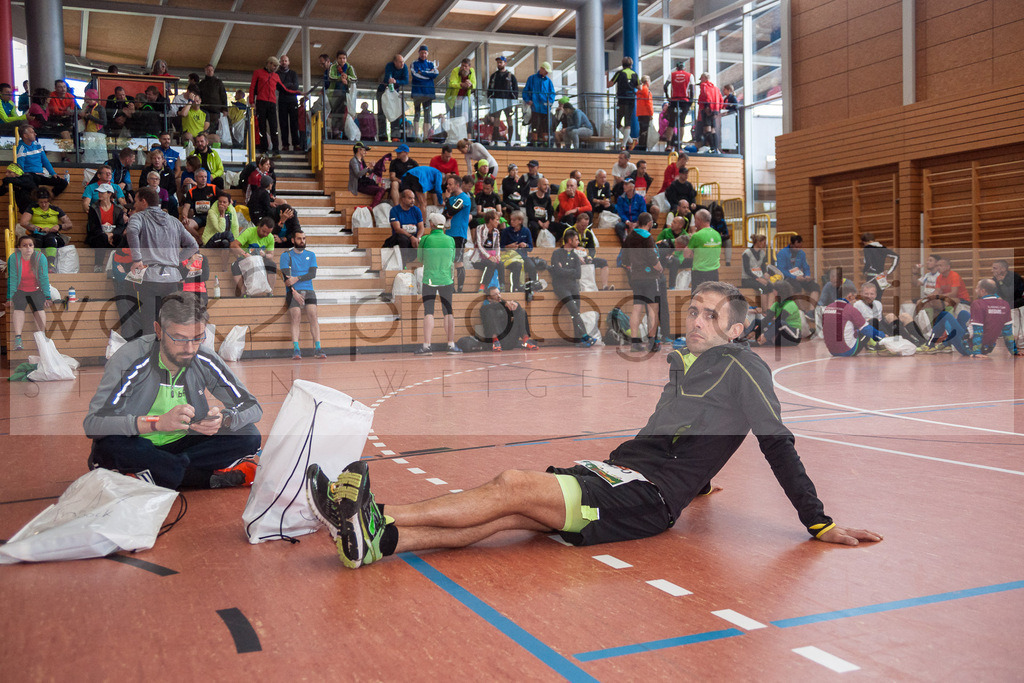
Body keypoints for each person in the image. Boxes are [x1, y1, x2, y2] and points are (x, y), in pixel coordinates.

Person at [307, 280, 882, 568]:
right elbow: (688, 433)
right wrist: (703, 479)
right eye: (695, 310)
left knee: (511, 485)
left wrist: (819, 523)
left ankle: (374, 514)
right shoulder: (688, 367)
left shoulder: (744, 365)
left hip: (645, 498)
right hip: (620, 475)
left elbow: (776, 442)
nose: (697, 320)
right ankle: (375, 542)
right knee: (511, 512)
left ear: (735, 330)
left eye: (711, 315)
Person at [84, 293, 263, 490]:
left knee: (249, 435)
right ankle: (201, 477)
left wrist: (225, 418)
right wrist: (157, 423)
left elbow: (252, 406)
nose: (189, 349)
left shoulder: (204, 358)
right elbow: (94, 424)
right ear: (158, 331)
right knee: (109, 446)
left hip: (184, 443)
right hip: (138, 441)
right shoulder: (130, 359)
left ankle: (156, 474)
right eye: (179, 338)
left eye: (197, 339)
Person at [127, 187, 200, 339]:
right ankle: (168, 357)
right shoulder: (173, 220)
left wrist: (137, 259)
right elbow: (194, 245)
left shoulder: (138, 217)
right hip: (171, 279)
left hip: (150, 278)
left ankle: (149, 358)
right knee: (170, 321)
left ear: (143, 201)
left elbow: (132, 232)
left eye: (136, 201)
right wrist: (174, 260)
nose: (134, 205)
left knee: (149, 322)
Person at [921, 279, 1019, 357]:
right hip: (986, 348)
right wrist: (1014, 351)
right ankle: (946, 344)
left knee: (944, 315)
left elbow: (978, 330)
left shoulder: (978, 303)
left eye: (977, 288)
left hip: (969, 348)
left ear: (983, 291)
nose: (975, 290)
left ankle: (930, 345)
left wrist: (976, 352)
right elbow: (1008, 332)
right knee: (963, 313)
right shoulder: (1004, 304)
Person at [414, 213, 461, 355]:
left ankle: (427, 346)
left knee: (429, 311)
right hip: (447, 279)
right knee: (448, 311)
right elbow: (453, 258)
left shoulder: (426, 239)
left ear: (432, 224)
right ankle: (451, 345)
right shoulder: (450, 240)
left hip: (429, 279)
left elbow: (420, 258)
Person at [279, 230, 325, 360]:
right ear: (293, 240)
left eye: (304, 238)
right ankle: (296, 349)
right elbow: (287, 278)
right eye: (299, 239)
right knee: (296, 316)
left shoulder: (311, 255)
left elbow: (312, 274)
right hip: (292, 291)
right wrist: (294, 292)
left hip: (308, 289)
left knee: (313, 314)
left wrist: (297, 277)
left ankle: (318, 348)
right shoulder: (286, 255)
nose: (302, 241)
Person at [622, 213, 663, 352]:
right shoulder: (647, 237)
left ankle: (634, 343)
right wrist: (659, 267)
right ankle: (652, 343)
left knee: (636, 308)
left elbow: (625, 259)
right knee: (652, 310)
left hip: (635, 277)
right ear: (650, 223)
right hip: (650, 277)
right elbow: (652, 256)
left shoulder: (630, 236)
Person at [549, 228, 595, 347]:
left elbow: (578, 274)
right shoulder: (557, 253)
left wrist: (565, 270)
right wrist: (570, 271)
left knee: (576, 312)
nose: (578, 242)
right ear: (569, 240)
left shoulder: (575, 256)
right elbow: (557, 272)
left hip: (573, 285)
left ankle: (578, 340)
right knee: (574, 310)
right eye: (576, 240)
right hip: (561, 286)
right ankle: (585, 336)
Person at [5, 235, 51, 352]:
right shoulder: (14, 258)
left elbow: (44, 277)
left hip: (36, 290)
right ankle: (18, 338)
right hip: (20, 290)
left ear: (34, 247)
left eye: (30, 245)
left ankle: (42, 336)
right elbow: (13, 278)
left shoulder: (40, 258)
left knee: (39, 308)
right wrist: (9, 297)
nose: (28, 248)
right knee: (18, 308)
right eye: (24, 246)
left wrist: (47, 296)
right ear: (19, 248)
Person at [821, 281, 887, 356]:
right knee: (868, 327)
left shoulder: (828, 308)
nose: (855, 300)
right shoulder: (850, 309)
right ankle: (877, 344)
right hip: (848, 350)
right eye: (854, 297)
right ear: (849, 296)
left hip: (832, 350)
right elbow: (866, 329)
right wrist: (883, 336)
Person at [19, 187, 72, 267]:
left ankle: (51, 263)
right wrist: (37, 228)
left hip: (52, 234)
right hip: (37, 233)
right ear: (37, 201)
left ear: (49, 201)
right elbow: (23, 222)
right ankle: (36, 263)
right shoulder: (32, 208)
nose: (43, 205)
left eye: (46, 202)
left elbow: (69, 224)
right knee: (37, 240)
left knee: (50, 239)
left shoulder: (55, 209)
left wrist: (59, 226)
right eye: (41, 202)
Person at [15, 125, 69, 198]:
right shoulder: (21, 148)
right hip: (30, 176)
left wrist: (53, 173)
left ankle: (47, 199)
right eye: (32, 132)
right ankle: (38, 202)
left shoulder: (37, 145)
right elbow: (20, 166)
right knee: (34, 181)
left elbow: (45, 160)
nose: (35, 134)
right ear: (25, 136)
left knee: (63, 182)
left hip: (41, 174)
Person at [84, 183, 127, 270]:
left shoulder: (118, 209)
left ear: (109, 193)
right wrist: (106, 234)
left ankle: (120, 265)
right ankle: (98, 265)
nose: (99, 194)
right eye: (99, 192)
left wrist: (111, 234)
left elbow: (121, 226)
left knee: (120, 238)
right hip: (97, 236)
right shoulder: (93, 208)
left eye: (102, 192)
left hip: (113, 235)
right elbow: (93, 227)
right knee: (102, 238)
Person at [230, 218, 277, 297]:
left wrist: (265, 255)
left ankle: (270, 292)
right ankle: (244, 293)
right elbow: (233, 245)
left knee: (272, 265)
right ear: (259, 227)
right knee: (234, 266)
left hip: (260, 259)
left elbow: (271, 255)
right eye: (263, 231)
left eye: (268, 233)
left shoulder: (270, 237)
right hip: (246, 258)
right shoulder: (249, 231)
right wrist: (245, 254)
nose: (265, 234)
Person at [481, 286, 537, 351]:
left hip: (510, 340)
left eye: (499, 293)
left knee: (522, 311)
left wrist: (516, 304)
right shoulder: (485, 308)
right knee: (490, 311)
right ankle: (495, 342)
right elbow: (489, 308)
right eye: (495, 295)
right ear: (489, 298)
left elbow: (517, 310)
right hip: (496, 340)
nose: (498, 296)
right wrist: (504, 304)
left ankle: (526, 341)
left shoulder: (505, 306)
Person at [443, 174, 471, 293]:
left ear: (457, 185)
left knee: (458, 262)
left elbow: (452, 210)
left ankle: (459, 289)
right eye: (447, 184)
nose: (448, 186)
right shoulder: (452, 199)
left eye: (450, 184)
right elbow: (445, 214)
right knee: (448, 262)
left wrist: (446, 200)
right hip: (448, 233)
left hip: (458, 234)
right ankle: (450, 287)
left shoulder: (463, 198)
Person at [684, 209, 722, 290]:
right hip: (714, 272)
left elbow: (686, 255)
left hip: (699, 273)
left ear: (699, 220)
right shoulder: (717, 234)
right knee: (712, 298)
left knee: (697, 299)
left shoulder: (696, 236)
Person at [385, 188, 424, 265]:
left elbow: (421, 227)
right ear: (402, 199)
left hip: (413, 240)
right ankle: (403, 265)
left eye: (413, 198)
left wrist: (418, 238)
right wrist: (411, 237)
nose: (413, 200)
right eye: (410, 198)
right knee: (403, 238)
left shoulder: (416, 210)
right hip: (399, 239)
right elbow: (397, 229)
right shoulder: (394, 210)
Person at [574, 211, 611, 291]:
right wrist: (577, 257)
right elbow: (565, 248)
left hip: (584, 257)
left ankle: (605, 286)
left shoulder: (588, 233)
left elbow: (592, 249)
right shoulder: (570, 232)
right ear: (577, 222)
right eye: (582, 225)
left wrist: (590, 257)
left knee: (603, 262)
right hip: (573, 258)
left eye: (586, 225)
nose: (584, 227)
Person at [471, 210, 506, 292]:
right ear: (490, 220)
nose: (498, 222)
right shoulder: (480, 228)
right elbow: (479, 245)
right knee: (492, 264)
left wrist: (498, 256)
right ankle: (483, 286)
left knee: (500, 264)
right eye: (497, 220)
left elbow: (497, 246)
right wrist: (489, 257)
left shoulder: (496, 231)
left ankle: (502, 286)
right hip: (478, 259)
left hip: (490, 258)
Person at [376, 54, 409, 141]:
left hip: (395, 93)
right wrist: (391, 80)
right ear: (395, 62)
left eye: (403, 62)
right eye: (400, 62)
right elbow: (388, 77)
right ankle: (383, 137)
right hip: (383, 92)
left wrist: (396, 81)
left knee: (396, 113)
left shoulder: (404, 67)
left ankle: (395, 136)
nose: (402, 64)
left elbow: (406, 81)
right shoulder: (389, 65)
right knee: (382, 113)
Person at [522, 62, 556, 146]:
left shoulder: (548, 81)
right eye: (546, 71)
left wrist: (550, 102)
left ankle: (545, 142)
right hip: (535, 107)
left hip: (545, 108)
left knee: (545, 125)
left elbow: (552, 93)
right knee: (535, 124)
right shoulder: (532, 79)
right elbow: (525, 91)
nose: (547, 73)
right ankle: (535, 141)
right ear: (541, 69)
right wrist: (527, 100)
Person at [486, 55, 518, 144]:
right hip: (496, 100)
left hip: (508, 101)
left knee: (509, 119)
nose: (499, 64)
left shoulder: (511, 76)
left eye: (501, 62)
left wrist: (514, 101)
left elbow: (515, 90)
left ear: (505, 63)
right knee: (496, 120)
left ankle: (510, 141)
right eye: (498, 62)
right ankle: (495, 140)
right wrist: (489, 98)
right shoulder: (494, 76)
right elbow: (489, 88)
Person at [608, 57, 639, 146]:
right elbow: (639, 87)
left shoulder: (619, 73)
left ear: (622, 64)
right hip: (631, 99)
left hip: (621, 99)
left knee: (618, 122)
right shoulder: (634, 74)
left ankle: (625, 144)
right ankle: (628, 141)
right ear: (631, 65)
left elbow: (609, 84)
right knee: (627, 122)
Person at [410, 45, 438, 141]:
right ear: (419, 53)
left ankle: (427, 137)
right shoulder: (414, 63)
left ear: (427, 54)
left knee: (427, 115)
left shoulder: (431, 64)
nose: (423, 54)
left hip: (428, 93)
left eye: (425, 53)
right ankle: (416, 136)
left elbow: (436, 73)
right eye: (422, 52)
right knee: (417, 113)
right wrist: (428, 75)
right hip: (418, 92)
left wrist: (423, 72)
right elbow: (415, 75)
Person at [180, 169, 217, 241]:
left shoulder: (213, 188)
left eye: (205, 177)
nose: (204, 179)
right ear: (195, 178)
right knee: (186, 225)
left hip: (211, 216)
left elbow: (224, 196)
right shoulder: (191, 191)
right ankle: (199, 241)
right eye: (201, 177)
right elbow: (186, 207)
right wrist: (185, 217)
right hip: (198, 217)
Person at [327, 51, 358, 138]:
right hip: (335, 94)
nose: (342, 60)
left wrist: (347, 77)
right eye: (340, 58)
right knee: (335, 113)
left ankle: (343, 132)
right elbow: (330, 77)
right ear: (337, 59)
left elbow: (355, 78)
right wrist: (340, 78)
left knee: (345, 113)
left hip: (346, 95)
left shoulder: (349, 67)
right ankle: (335, 132)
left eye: (344, 58)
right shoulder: (333, 67)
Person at [349, 141, 387, 207]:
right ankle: (372, 207)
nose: (365, 152)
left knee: (381, 189)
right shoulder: (353, 161)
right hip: (358, 185)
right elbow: (358, 174)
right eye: (364, 150)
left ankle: (373, 206)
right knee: (381, 190)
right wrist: (368, 167)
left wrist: (375, 168)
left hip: (364, 183)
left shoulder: (362, 161)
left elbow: (368, 171)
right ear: (359, 149)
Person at [525, 177, 562, 243]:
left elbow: (550, 212)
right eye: (544, 185)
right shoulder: (531, 197)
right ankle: (536, 244)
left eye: (547, 185)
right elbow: (529, 213)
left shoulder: (548, 198)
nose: (547, 187)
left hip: (544, 221)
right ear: (539, 185)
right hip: (534, 221)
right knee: (533, 227)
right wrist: (539, 222)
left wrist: (548, 221)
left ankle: (553, 242)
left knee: (560, 227)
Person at [665, 62, 693, 147]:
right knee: (682, 122)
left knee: (671, 123)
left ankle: (668, 145)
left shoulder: (672, 74)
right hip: (684, 100)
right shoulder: (690, 75)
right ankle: (680, 144)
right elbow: (692, 88)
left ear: (676, 68)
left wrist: (668, 97)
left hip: (674, 100)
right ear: (684, 68)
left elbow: (665, 86)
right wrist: (691, 100)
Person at [276, 55, 301, 150]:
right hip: (282, 101)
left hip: (293, 101)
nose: (284, 62)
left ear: (288, 62)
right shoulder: (277, 74)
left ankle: (296, 144)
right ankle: (285, 144)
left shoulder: (293, 73)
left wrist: (285, 86)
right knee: (283, 124)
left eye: (285, 61)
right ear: (280, 62)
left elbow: (296, 87)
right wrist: (289, 85)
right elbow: (278, 87)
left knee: (294, 123)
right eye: (282, 61)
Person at [696, 73, 724, 152]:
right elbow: (721, 100)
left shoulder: (704, 86)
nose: (701, 80)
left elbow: (705, 95)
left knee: (707, 129)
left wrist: (707, 106)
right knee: (713, 129)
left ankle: (710, 147)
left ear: (704, 78)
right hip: (715, 110)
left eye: (701, 78)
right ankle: (715, 147)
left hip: (707, 108)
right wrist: (718, 109)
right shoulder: (716, 88)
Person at [198, 63, 228, 135]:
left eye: (211, 70)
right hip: (204, 110)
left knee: (214, 129)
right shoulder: (201, 83)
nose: (210, 71)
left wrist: (225, 109)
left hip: (215, 110)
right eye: (208, 70)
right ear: (205, 71)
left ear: (213, 71)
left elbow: (223, 95)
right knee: (204, 129)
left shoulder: (219, 82)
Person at [614, 176, 646, 243]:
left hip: (637, 221)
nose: (624, 186)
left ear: (632, 187)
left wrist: (637, 223)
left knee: (645, 225)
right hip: (626, 221)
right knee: (618, 226)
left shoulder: (640, 198)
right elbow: (621, 212)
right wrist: (628, 222)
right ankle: (625, 242)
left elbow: (643, 212)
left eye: (626, 184)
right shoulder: (620, 198)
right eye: (624, 184)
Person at [445, 57, 476, 122]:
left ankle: (467, 131)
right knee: (455, 119)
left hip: (465, 99)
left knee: (467, 118)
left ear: (469, 67)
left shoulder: (472, 71)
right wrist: (461, 84)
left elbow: (474, 84)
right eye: (462, 65)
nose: (463, 68)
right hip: (453, 99)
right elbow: (452, 83)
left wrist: (470, 84)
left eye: (466, 66)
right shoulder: (455, 70)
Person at [636, 75, 654, 151]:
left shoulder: (639, 90)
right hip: (646, 113)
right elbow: (648, 103)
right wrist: (651, 113)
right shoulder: (646, 90)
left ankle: (641, 145)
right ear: (647, 82)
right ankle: (643, 147)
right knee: (646, 131)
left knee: (641, 130)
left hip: (640, 112)